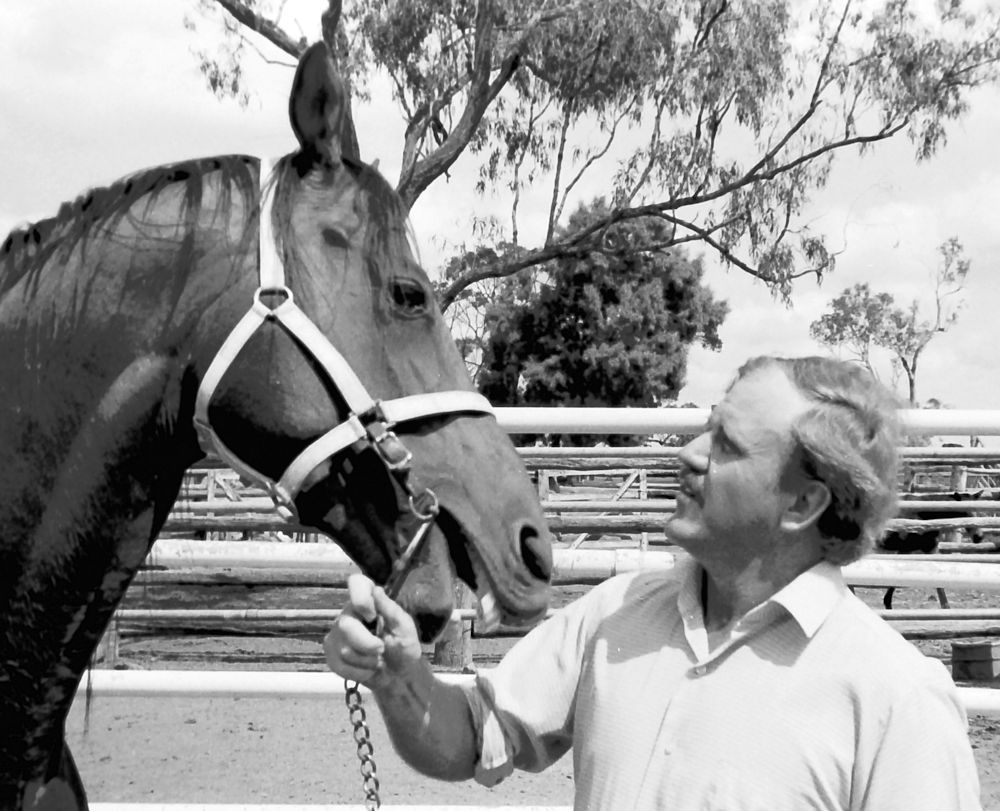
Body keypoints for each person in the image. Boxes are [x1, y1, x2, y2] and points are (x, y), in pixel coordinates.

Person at [325, 355, 982, 810]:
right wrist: (399, 673)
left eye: (725, 444)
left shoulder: (898, 701)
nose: (688, 453)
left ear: (802, 505)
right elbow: (468, 738)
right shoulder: (614, 615)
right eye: (705, 427)